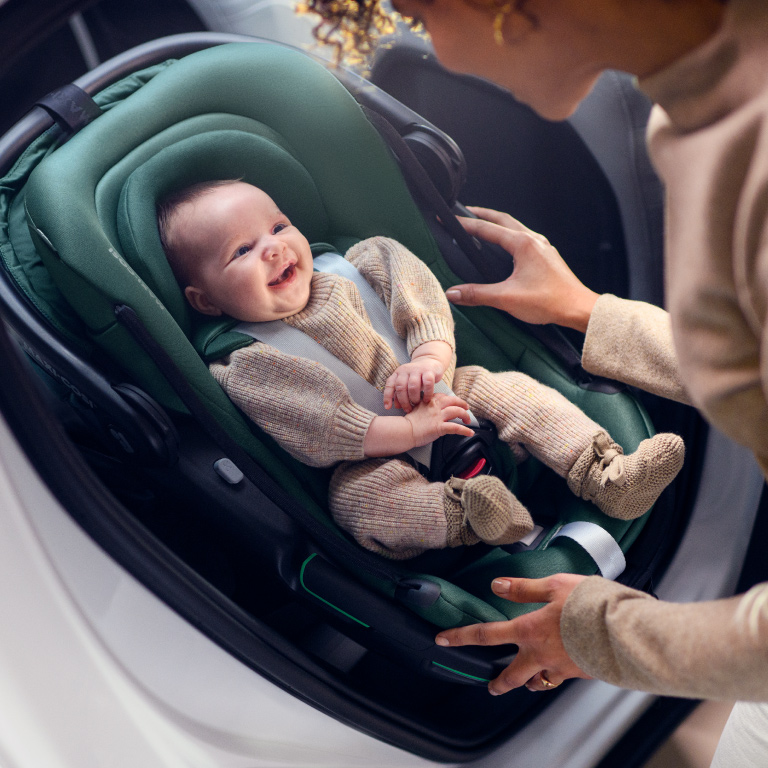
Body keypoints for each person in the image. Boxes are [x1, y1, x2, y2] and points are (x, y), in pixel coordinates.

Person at [302, 0, 768, 764]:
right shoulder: (698, 109)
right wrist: (588, 312)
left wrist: (608, 634)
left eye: (419, 12)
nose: (439, 53)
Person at [156, 179, 683, 559]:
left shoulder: (363, 263)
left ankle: (606, 473)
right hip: (371, 455)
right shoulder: (245, 362)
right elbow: (316, 425)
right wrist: (407, 432)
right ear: (206, 301)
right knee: (356, 502)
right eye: (242, 250)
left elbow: (424, 302)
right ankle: (468, 514)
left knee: (516, 392)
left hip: (451, 391)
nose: (273, 247)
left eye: (278, 226)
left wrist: (429, 359)